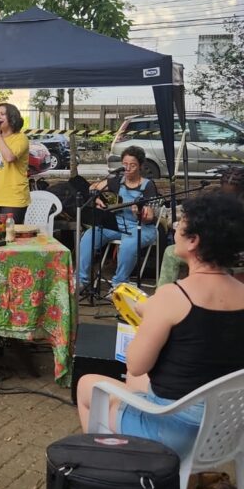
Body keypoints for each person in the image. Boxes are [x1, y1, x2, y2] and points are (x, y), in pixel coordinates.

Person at [77, 192, 244, 458]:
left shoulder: (172, 297)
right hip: (227, 430)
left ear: (193, 241)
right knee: (136, 380)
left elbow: (136, 363)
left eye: (180, 224)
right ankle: (190, 477)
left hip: (175, 432)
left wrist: (148, 318)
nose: (175, 228)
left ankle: (108, 468)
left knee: (88, 385)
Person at [78, 145, 158, 295]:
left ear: (140, 166)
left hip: (141, 227)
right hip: (116, 224)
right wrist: (97, 199)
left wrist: (140, 214)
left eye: (132, 165)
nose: (128, 168)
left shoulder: (148, 186)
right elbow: (93, 187)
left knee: (128, 245)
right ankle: (82, 280)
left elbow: (150, 217)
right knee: (89, 236)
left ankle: (119, 285)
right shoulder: (117, 181)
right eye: (125, 164)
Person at [158, 166, 244, 287]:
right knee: (171, 251)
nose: (228, 199)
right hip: (209, 249)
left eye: (232, 194)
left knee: (172, 253)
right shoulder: (215, 201)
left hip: (233, 256)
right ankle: (164, 293)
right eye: (225, 193)